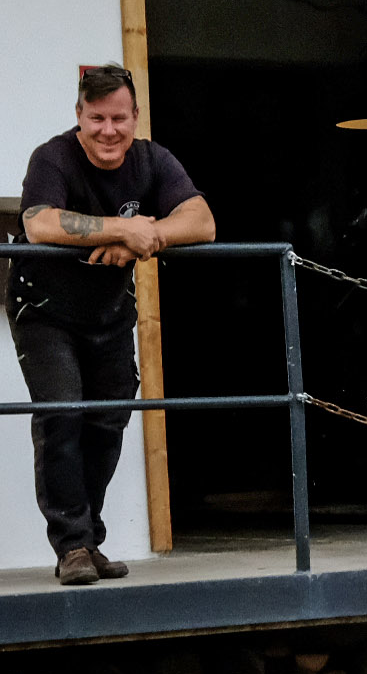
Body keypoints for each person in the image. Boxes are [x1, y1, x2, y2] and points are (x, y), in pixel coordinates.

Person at [12, 66, 215, 584]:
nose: (108, 130)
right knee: (63, 416)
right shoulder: (52, 157)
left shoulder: (153, 159)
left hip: (109, 313)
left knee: (108, 423)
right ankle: (71, 546)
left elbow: (202, 221)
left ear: (135, 117)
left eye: (119, 118)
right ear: (79, 116)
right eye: (96, 118)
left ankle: (88, 538)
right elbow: (39, 223)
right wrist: (125, 225)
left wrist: (144, 237)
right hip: (44, 311)